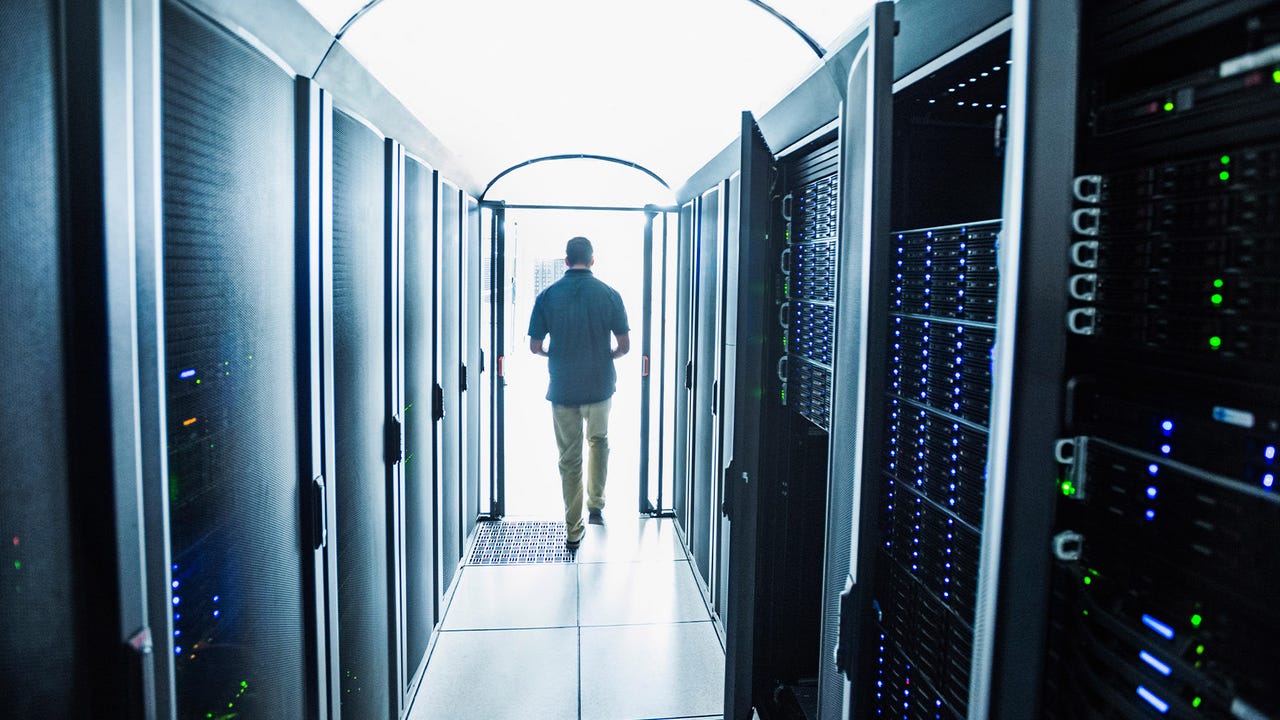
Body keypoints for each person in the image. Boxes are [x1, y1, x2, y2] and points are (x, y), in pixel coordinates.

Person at [528, 236, 630, 550]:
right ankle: (596, 502)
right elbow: (624, 346)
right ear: (593, 260)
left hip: (563, 388)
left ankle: (573, 529)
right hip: (599, 386)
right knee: (599, 442)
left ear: (566, 260)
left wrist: (555, 355)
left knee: (569, 458)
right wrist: (605, 356)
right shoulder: (609, 294)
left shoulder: (547, 296)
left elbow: (534, 346)